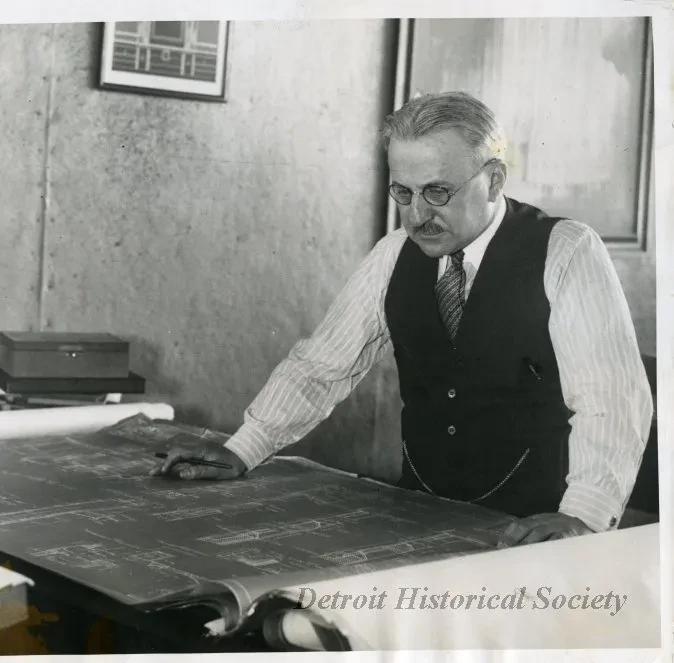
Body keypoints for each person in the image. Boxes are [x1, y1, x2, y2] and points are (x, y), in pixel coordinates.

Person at [150, 91, 654, 547]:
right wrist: (244, 448)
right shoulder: (394, 253)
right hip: (418, 512)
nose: (416, 216)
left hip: (537, 528)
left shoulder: (566, 250)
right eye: (403, 193)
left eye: (438, 192)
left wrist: (583, 517)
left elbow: (612, 398)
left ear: (494, 180)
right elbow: (322, 366)